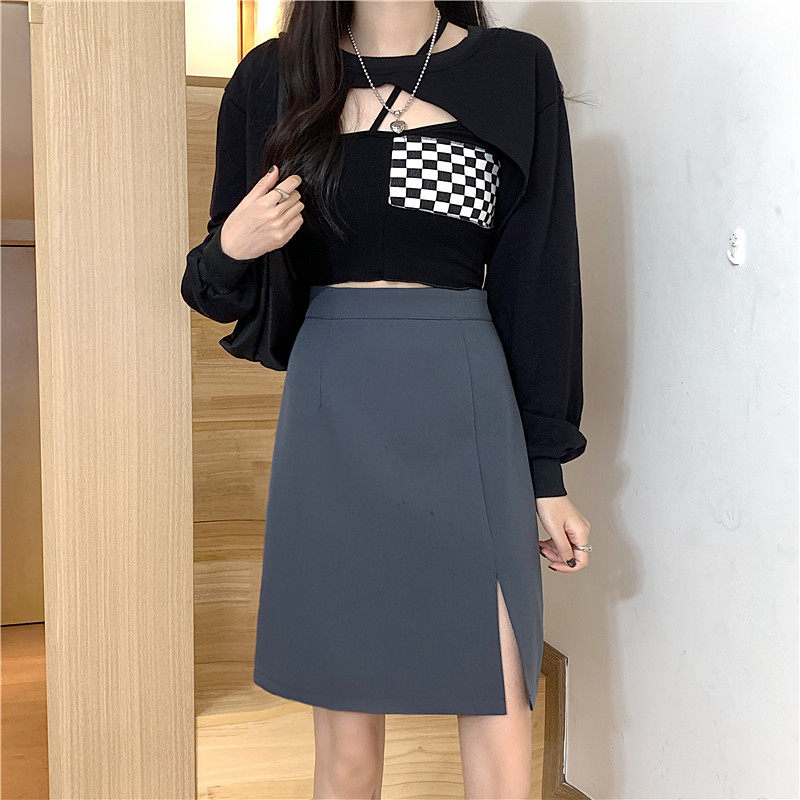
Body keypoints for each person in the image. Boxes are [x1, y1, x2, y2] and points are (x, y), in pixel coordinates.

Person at [181, 2, 591, 797]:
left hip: (465, 399)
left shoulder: (513, 69)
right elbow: (212, 287)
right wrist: (234, 245)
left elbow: (539, 280)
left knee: (501, 696)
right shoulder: (272, 79)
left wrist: (547, 472)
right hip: (333, 407)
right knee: (344, 731)